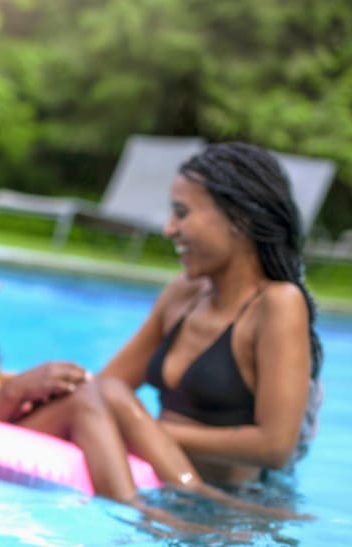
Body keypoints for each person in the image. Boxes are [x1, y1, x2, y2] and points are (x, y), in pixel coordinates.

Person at [0, 205, 304, 522]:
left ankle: (203, 496)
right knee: (85, 402)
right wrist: (16, 392)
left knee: (110, 390)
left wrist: (35, 385)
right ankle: (145, 517)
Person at [93, 141, 323, 487]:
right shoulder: (183, 293)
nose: (169, 229)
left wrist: (144, 428)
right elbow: (106, 387)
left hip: (233, 514)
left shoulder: (278, 304)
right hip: (161, 490)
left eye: (182, 213)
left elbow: (276, 446)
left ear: (238, 219)